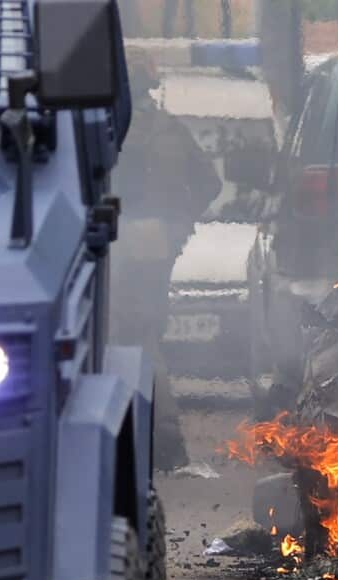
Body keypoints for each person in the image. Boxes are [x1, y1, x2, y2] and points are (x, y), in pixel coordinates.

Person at [112, 47, 221, 471]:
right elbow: (209, 183)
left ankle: (159, 442)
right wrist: (177, 223)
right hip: (155, 246)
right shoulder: (169, 129)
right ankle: (157, 443)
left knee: (131, 338)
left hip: (118, 246)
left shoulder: (109, 130)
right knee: (143, 335)